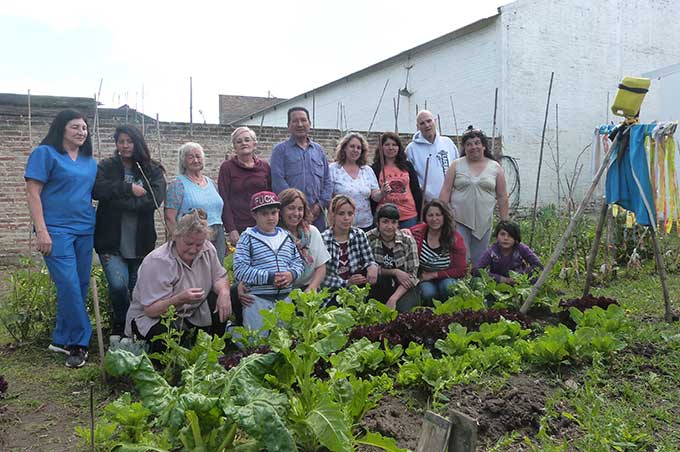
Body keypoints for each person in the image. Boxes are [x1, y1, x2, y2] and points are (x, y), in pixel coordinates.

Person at [24, 109, 97, 368]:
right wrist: (41, 230)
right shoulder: (44, 154)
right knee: (67, 283)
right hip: (56, 230)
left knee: (80, 284)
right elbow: (33, 194)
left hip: (85, 228)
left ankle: (60, 337)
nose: (81, 132)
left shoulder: (90, 161)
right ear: (61, 129)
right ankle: (80, 342)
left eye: (84, 128)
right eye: (75, 127)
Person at [93, 125, 166, 340]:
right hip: (111, 240)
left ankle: (132, 329)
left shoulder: (151, 169)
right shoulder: (107, 166)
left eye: (129, 141)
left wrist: (118, 202)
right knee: (118, 285)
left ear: (138, 143)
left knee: (136, 289)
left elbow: (153, 200)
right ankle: (120, 323)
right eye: (120, 141)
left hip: (140, 242)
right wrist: (129, 189)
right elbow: (97, 190)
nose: (124, 146)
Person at [125, 209, 231, 354]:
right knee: (169, 338)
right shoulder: (158, 261)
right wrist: (180, 299)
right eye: (188, 243)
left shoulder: (207, 249)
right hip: (154, 318)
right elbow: (151, 310)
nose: (194, 249)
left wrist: (224, 293)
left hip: (192, 313)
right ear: (176, 237)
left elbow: (220, 277)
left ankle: (217, 349)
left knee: (220, 299)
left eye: (198, 244)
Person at [232, 191, 305, 331]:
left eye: (274, 212)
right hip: (258, 299)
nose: (270, 218)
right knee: (257, 342)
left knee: (285, 341)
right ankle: (234, 331)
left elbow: (298, 262)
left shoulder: (286, 236)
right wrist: (270, 277)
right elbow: (240, 270)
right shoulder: (247, 238)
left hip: (285, 298)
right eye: (265, 214)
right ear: (254, 215)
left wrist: (291, 274)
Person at [439, 126, 509, 266]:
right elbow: (445, 191)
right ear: (464, 147)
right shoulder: (456, 165)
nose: (473, 147)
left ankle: (477, 286)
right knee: (460, 258)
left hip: (484, 221)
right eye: (469, 144)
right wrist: (444, 216)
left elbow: (502, 196)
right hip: (459, 220)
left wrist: (504, 223)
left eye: (477, 143)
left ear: (483, 146)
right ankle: (458, 285)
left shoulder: (495, 167)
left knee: (480, 260)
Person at [270, 107, 332, 231]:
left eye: (303, 120)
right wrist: (297, 208)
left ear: (309, 124)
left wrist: (318, 207)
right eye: (295, 121)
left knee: (315, 248)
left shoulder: (318, 150)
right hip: (291, 216)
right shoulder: (280, 151)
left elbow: (327, 181)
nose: (299, 124)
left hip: (317, 216)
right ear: (288, 125)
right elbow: (278, 181)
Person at [165, 142, 226, 264]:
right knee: (196, 272)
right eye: (190, 157)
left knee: (216, 271)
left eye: (198, 156)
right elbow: (169, 217)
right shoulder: (178, 185)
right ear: (183, 161)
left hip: (217, 234)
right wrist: (178, 241)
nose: (195, 160)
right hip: (192, 236)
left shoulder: (211, 183)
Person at [218, 126, 271, 246]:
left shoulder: (265, 167)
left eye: (247, 140)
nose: (243, 143)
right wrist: (231, 229)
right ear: (234, 146)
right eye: (239, 141)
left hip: (263, 225)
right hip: (239, 226)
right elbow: (223, 199)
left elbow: (271, 196)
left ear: (254, 144)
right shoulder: (227, 168)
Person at [410, 199, 467, 305]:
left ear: (444, 217)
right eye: (430, 215)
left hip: (447, 277)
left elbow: (461, 270)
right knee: (428, 293)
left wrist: (434, 274)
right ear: (425, 218)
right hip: (424, 277)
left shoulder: (455, 239)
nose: (434, 219)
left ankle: (449, 311)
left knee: (449, 288)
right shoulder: (418, 232)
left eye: (438, 215)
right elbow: (405, 233)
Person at [366, 204, 420, 312]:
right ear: (378, 223)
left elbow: (412, 275)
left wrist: (393, 299)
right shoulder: (368, 238)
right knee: (375, 311)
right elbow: (367, 268)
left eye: (394, 222)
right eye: (385, 222)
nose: (390, 226)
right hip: (380, 284)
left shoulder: (408, 241)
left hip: (404, 287)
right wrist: (395, 272)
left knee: (402, 312)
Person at [329, 132, 389, 231]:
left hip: (365, 225)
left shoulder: (367, 170)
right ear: (344, 148)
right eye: (352, 146)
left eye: (358, 148)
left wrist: (382, 192)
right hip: (341, 225)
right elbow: (328, 197)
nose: (355, 150)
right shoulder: (333, 169)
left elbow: (375, 196)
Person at [321, 194, 379, 291]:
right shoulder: (324, 239)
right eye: (341, 214)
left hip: (356, 288)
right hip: (332, 291)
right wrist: (347, 282)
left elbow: (369, 260)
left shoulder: (359, 234)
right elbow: (322, 278)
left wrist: (372, 266)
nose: (346, 218)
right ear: (333, 215)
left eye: (350, 214)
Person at [371, 132, 423, 228]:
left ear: (399, 147)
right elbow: (373, 195)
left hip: (408, 215)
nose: (391, 148)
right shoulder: (375, 168)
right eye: (387, 145)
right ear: (381, 147)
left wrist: (420, 214)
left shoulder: (407, 166)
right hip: (386, 217)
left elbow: (415, 190)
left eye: (394, 145)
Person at [406, 110, 459, 203]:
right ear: (417, 127)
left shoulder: (448, 143)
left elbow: (458, 168)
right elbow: (409, 176)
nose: (427, 125)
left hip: (451, 200)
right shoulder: (411, 149)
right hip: (427, 203)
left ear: (435, 121)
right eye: (422, 123)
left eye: (429, 121)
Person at [473, 221, 543, 284]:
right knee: (476, 281)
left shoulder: (521, 248)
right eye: (502, 234)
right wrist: (501, 279)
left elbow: (538, 265)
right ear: (497, 237)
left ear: (516, 239)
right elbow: (476, 269)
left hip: (520, 284)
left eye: (510, 236)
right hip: (497, 285)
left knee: (536, 278)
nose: (506, 238)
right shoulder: (493, 251)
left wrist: (520, 276)